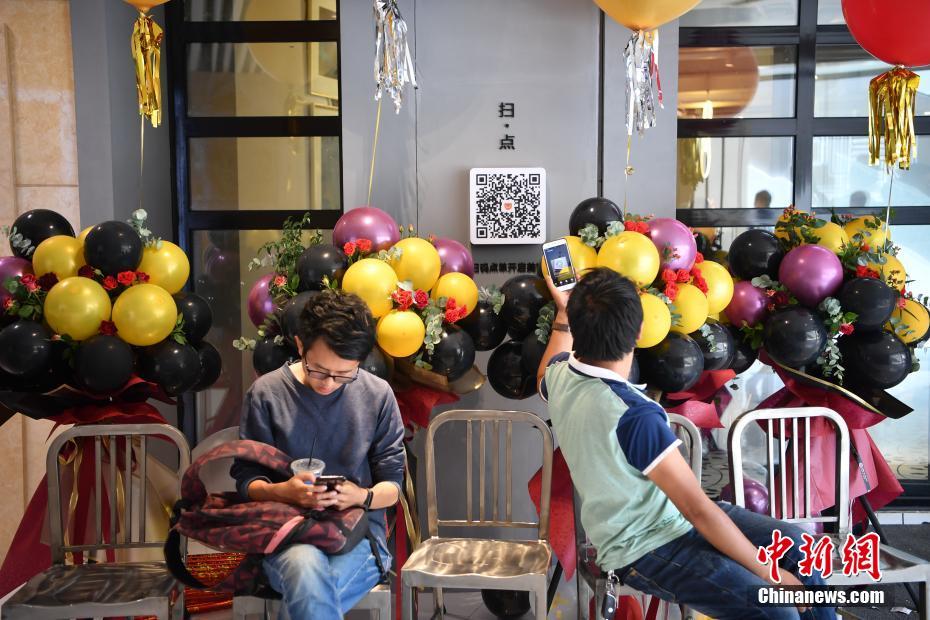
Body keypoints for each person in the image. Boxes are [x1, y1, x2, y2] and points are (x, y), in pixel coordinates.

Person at [537, 267, 833, 620]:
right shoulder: (634, 414)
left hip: (672, 519)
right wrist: (772, 575)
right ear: (640, 331)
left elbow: (544, 370)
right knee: (775, 608)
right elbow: (697, 510)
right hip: (644, 547)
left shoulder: (562, 378)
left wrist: (562, 314)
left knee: (800, 550)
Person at [231, 290, 405, 620]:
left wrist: (361, 496)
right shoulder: (267, 393)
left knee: (309, 591)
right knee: (305, 568)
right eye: (319, 370)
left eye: (344, 374)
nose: (329, 384)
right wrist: (283, 491)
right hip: (286, 534)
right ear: (300, 346)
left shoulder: (376, 395)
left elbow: (393, 486)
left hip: (360, 536)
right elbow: (247, 480)